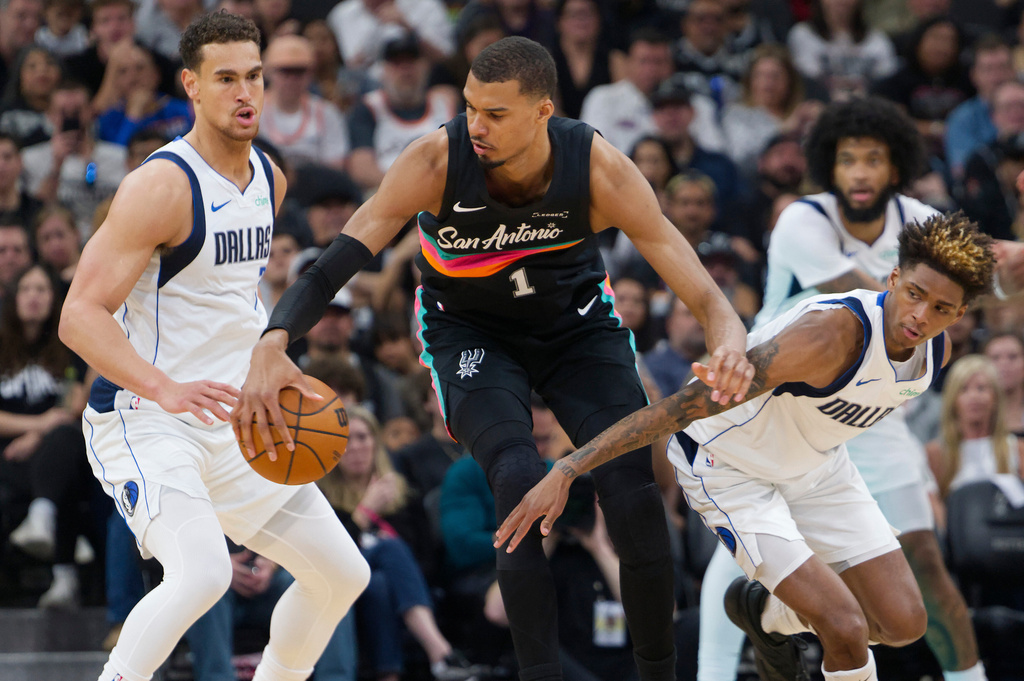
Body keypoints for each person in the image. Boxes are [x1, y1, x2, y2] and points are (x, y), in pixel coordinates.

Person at [232, 35, 755, 681]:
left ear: (541, 111)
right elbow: (339, 258)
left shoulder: (595, 165)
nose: (476, 125)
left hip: (576, 328)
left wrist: (728, 333)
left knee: (633, 490)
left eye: (496, 113)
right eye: (471, 107)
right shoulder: (434, 160)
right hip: (469, 331)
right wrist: (273, 338)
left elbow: (696, 282)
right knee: (515, 480)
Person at [496, 212, 996, 681]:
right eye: (914, 293)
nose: (920, 316)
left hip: (817, 469)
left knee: (904, 623)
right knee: (845, 627)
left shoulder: (938, 350)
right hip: (729, 469)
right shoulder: (827, 338)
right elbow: (679, 408)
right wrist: (568, 467)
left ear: (961, 313)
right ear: (892, 278)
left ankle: (763, 612)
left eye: (941, 309)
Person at [57, 12, 370, 681]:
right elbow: (78, 316)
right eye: (226, 78)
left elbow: (231, 300)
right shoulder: (160, 186)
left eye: (253, 75)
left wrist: (269, 350)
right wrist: (166, 387)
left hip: (232, 416)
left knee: (343, 573)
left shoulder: (270, 178)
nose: (245, 91)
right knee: (203, 571)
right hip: (145, 416)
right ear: (191, 87)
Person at [746, 96, 991, 681]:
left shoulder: (920, 221)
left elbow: (956, 291)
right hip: (788, 405)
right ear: (829, 166)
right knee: (740, 574)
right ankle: (728, 648)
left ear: (896, 166)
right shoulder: (805, 218)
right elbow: (881, 310)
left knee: (926, 564)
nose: (860, 173)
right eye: (848, 159)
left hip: (877, 412)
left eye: (874, 159)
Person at [317, 405, 478, 681]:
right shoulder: (321, 500)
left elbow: (426, 561)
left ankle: (389, 675)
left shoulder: (404, 495)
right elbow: (327, 557)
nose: (354, 447)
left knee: (380, 583)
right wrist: (365, 513)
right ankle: (440, 653)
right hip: (340, 583)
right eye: (345, 440)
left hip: (397, 589)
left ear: (375, 443)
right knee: (389, 549)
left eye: (362, 437)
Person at [926, 354, 1024, 506]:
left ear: (995, 397)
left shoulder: (1017, 449)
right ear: (953, 399)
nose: (974, 396)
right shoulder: (936, 453)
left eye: (981, 388)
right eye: (964, 389)